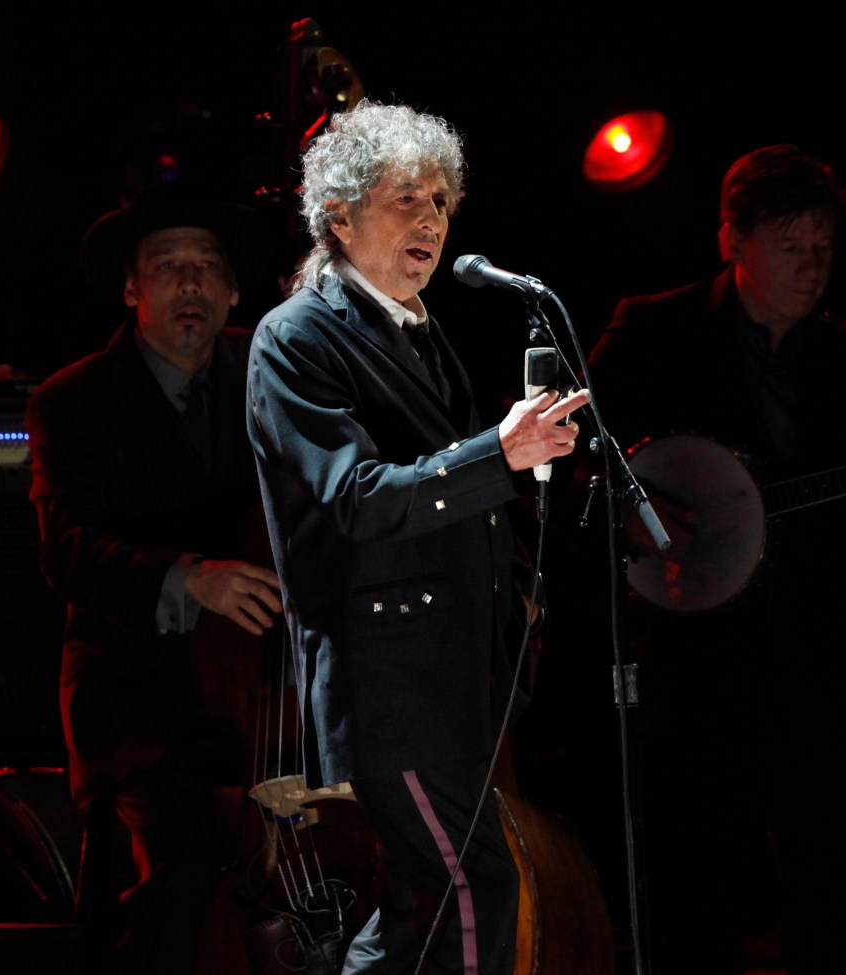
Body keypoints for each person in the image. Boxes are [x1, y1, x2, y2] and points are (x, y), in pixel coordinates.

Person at [583, 144, 846, 974]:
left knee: (838, 886)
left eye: (824, 248)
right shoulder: (655, 329)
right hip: (693, 658)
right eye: (791, 245)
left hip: (825, 660)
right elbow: (569, 458)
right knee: (692, 887)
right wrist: (630, 516)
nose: (812, 267)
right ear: (731, 240)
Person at [246, 100, 590, 975]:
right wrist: (499, 451)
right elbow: (356, 500)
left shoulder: (417, 333)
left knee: (416, 913)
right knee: (474, 887)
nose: (433, 220)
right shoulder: (297, 336)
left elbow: (465, 499)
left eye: (443, 201)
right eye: (409, 197)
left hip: (451, 677)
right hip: (390, 681)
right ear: (340, 214)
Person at [26, 184, 284, 975]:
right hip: (139, 698)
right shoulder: (73, 401)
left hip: (265, 692)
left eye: (207, 268)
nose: (191, 284)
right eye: (168, 267)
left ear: (234, 291)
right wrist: (187, 578)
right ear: (133, 290)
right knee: (191, 861)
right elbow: (67, 550)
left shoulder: (272, 376)